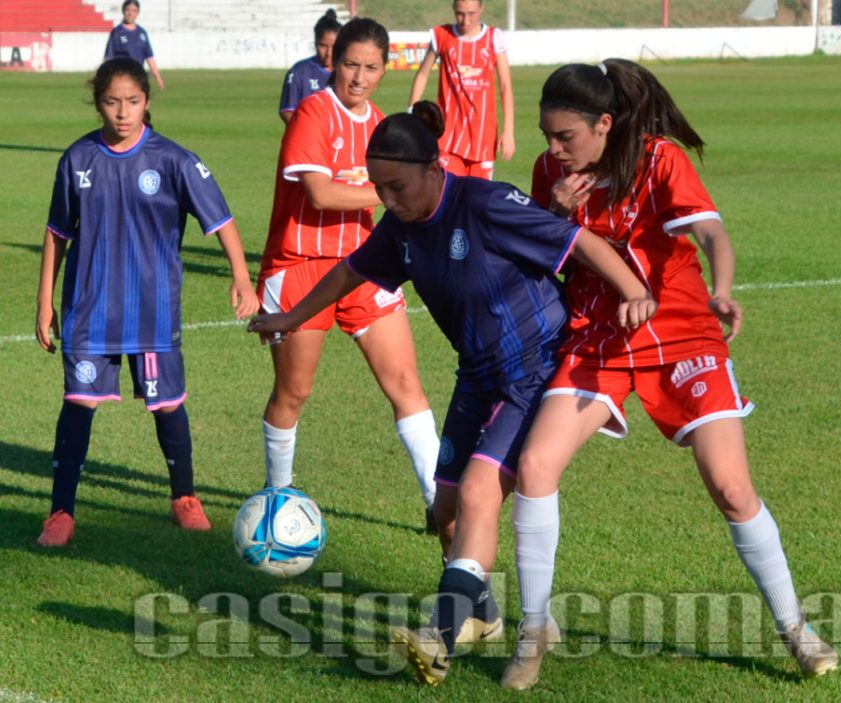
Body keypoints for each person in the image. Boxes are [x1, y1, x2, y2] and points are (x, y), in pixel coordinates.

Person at [247, 102, 655, 687]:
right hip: (477, 378)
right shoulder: (401, 227)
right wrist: (290, 317)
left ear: (434, 169)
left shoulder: (484, 203)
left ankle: (438, 636)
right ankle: (482, 614)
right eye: (379, 187)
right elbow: (349, 271)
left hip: (533, 371)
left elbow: (579, 241)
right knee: (444, 512)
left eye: (398, 186)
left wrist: (634, 291)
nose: (387, 199)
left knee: (480, 493)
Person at [499, 59, 841, 689]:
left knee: (731, 487)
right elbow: (543, 255)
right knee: (535, 467)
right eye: (547, 136)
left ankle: (796, 628)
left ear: (604, 124)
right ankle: (534, 630)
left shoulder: (659, 159)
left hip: (681, 332)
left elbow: (710, 232)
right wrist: (552, 209)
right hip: (599, 335)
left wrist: (723, 289)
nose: (554, 149)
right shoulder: (552, 172)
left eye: (565, 136)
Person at [35, 57, 259, 547]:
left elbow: (221, 221)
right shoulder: (77, 159)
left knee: (167, 406)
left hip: (152, 313)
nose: (122, 112)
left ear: (147, 101)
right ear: (98, 103)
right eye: (112, 102)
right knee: (77, 406)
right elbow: (56, 234)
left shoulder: (174, 160)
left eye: (132, 101)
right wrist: (44, 302)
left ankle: (184, 498)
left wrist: (242, 277)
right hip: (89, 311)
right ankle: (61, 513)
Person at [256, 19, 440, 530]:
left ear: (384, 70)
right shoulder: (313, 112)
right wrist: (393, 191)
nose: (359, 77)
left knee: (405, 382)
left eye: (371, 67)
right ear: (334, 62)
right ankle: (277, 498)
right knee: (294, 392)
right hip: (300, 264)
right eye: (351, 64)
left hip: (363, 265)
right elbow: (321, 194)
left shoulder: (380, 125)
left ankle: (439, 504)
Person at [407, 0, 514, 180]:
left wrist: (508, 130)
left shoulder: (494, 38)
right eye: (460, 14)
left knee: (477, 195)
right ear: (454, 10)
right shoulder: (442, 35)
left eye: (471, 14)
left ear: (481, 9)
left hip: (483, 137)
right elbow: (423, 74)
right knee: (449, 192)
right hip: (448, 137)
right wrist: (411, 111)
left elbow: (505, 85)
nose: (465, 20)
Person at [278, 9, 341, 125]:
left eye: (334, 46)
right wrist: (306, 131)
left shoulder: (345, 72)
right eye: (323, 46)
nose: (329, 53)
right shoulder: (298, 71)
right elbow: (287, 111)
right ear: (315, 43)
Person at [104, 0, 164, 90]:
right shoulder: (117, 32)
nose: (130, 13)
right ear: (123, 11)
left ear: (137, 13)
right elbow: (108, 58)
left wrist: (158, 77)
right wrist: (105, 78)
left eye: (134, 10)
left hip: (139, 77)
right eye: (127, 10)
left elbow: (149, 57)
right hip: (122, 79)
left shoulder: (142, 32)